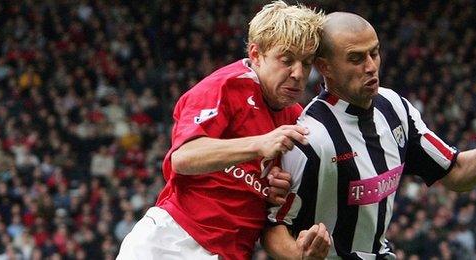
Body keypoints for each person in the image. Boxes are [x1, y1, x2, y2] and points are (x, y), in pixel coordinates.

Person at [262, 12, 476, 259]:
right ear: (325, 67)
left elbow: (457, 174)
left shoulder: (395, 107)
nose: (370, 67)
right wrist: (300, 256)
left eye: (374, 53)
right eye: (355, 58)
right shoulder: (310, 137)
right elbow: (273, 228)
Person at [117, 2, 326, 259]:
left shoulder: (297, 119)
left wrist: (275, 189)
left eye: (306, 63)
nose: (298, 73)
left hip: (232, 253)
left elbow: (274, 205)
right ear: (256, 54)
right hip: (174, 241)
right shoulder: (224, 87)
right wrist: (258, 144)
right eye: (287, 60)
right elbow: (183, 157)